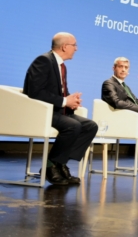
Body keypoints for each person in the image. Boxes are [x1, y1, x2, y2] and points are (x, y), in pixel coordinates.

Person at [23, 32, 98, 185]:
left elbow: (59, 92)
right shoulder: (44, 61)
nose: (76, 49)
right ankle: (51, 166)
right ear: (65, 47)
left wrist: (72, 101)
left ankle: (59, 163)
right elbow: (35, 92)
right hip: (43, 112)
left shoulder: (61, 66)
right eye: (74, 45)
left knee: (90, 126)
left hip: (57, 111)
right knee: (73, 126)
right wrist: (64, 101)